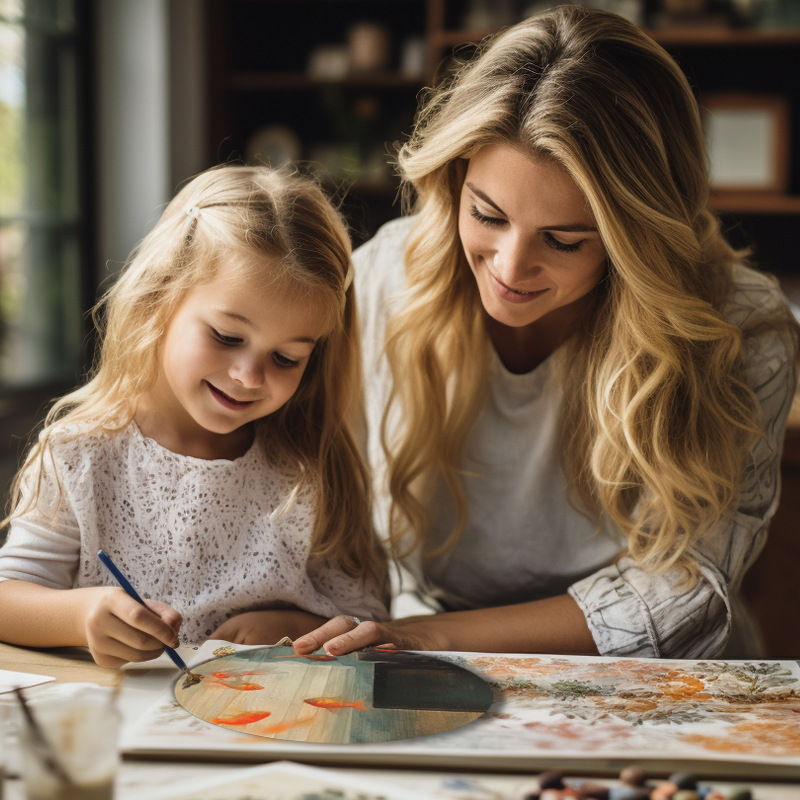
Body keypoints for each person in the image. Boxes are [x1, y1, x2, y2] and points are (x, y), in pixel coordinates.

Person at [293, 5, 800, 661]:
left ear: (634, 240)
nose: (510, 268)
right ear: (454, 183)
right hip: (429, 655)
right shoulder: (382, 280)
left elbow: (685, 587)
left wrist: (428, 638)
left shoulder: (740, 331)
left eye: (563, 240)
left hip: (656, 678)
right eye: (487, 215)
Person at [0, 165, 389, 667]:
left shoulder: (312, 467)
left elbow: (368, 619)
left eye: (286, 358)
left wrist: (300, 628)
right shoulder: (78, 454)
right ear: (158, 300)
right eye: (227, 337)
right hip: (120, 726)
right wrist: (82, 614)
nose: (249, 376)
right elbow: (8, 598)